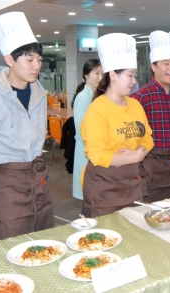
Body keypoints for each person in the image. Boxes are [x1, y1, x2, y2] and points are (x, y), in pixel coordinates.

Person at [0, 12, 54, 241]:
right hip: (7, 183)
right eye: (29, 60)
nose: (36, 66)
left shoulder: (39, 93)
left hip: (39, 178)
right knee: (11, 244)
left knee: (44, 241)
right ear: (10, 60)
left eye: (39, 59)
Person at [80, 33, 153, 217]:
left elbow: (147, 137)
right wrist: (134, 157)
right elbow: (97, 155)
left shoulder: (135, 105)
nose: (134, 81)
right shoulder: (97, 109)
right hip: (104, 186)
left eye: (134, 75)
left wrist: (140, 151)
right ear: (113, 75)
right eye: (130, 75)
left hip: (132, 182)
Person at [131, 30, 170, 202]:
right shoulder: (140, 97)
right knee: (153, 215)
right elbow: (135, 139)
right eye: (166, 63)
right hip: (150, 167)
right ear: (153, 66)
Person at [72, 59, 102, 201]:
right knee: (88, 191)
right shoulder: (83, 97)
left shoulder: (98, 96)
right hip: (86, 149)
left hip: (95, 148)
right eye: (96, 73)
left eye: (102, 73)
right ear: (86, 75)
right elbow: (81, 128)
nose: (100, 77)